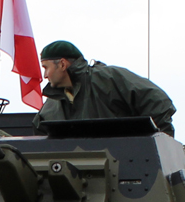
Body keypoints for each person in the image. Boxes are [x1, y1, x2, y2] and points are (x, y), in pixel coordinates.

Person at [32, 41, 176, 135]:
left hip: (126, 168)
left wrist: (156, 144)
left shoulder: (108, 79)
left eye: (46, 67)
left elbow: (157, 101)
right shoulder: (51, 107)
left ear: (62, 64)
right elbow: (39, 139)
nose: (45, 75)